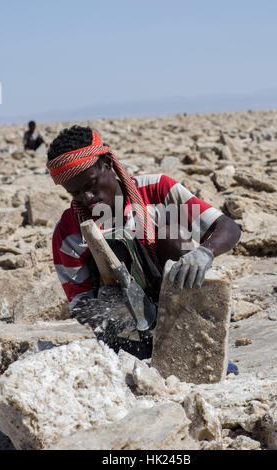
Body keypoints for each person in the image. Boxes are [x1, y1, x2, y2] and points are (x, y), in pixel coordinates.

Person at [46, 125, 241, 364]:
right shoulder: (68, 233)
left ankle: (194, 348)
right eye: (76, 193)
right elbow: (80, 306)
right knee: (112, 247)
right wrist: (121, 308)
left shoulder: (157, 189)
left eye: (91, 185)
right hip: (126, 337)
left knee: (171, 232)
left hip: (182, 316)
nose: (87, 198)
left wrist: (204, 253)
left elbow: (228, 228)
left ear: (106, 163)